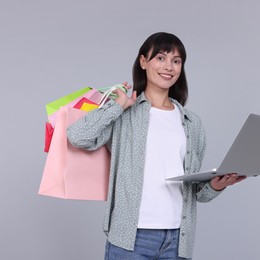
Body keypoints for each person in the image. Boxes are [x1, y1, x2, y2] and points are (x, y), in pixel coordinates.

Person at [67, 32, 246, 260]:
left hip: (178, 239)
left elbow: (197, 195)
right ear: (143, 62)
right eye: (161, 58)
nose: (169, 66)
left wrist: (217, 185)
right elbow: (78, 136)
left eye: (176, 60)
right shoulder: (125, 114)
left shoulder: (192, 123)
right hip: (131, 237)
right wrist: (118, 106)